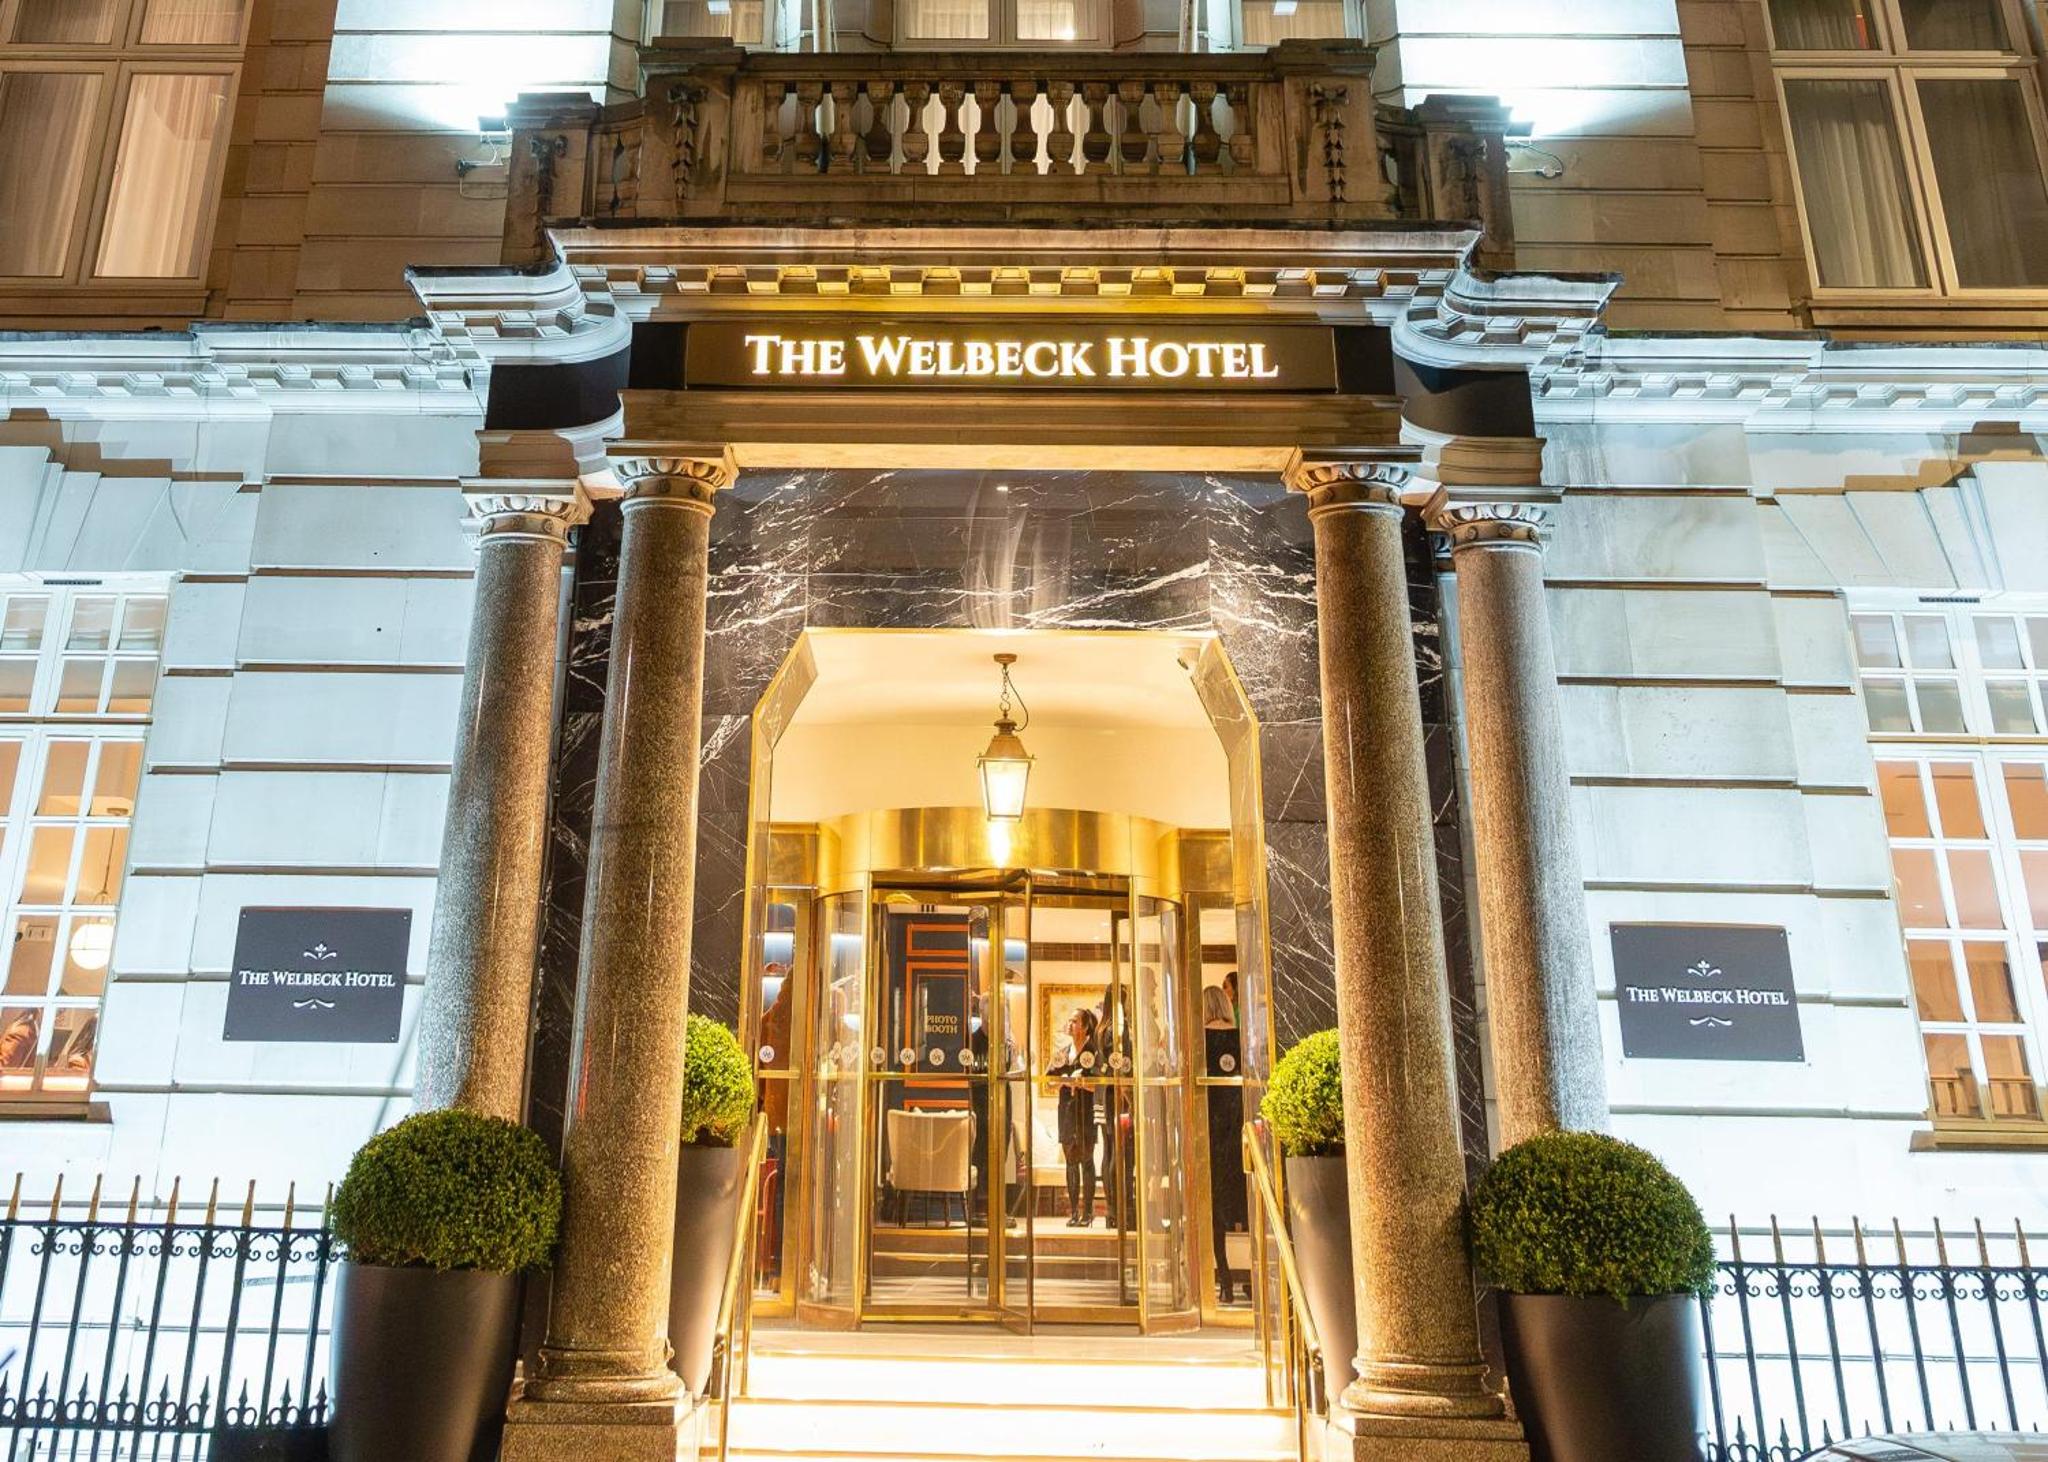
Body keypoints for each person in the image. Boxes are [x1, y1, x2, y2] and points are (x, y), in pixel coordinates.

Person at [1203, 978, 1250, 1304]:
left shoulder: (1200, 1040)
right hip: (1239, 1131)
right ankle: (1255, 1277)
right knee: (1244, 1207)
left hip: (1209, 1133)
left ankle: (1225, 1280)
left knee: (1215, 1210)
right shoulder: (1240, 1039)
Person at [1048, 1006, 1099, 1226]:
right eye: (1069, 1020)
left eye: (1075, 1021)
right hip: (1067, 1112)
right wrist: (1066, 1080)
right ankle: (1074, 1213)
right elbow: (1049, 1080)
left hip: (1086, 1112)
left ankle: (1088, 1212)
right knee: (1070, 1162)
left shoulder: (1094, 1053)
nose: (1070, 1024)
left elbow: (1100, 1085)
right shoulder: (1062, 1054)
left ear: (1086, 1026)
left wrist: (1082, 1084)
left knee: (1086, 1160)